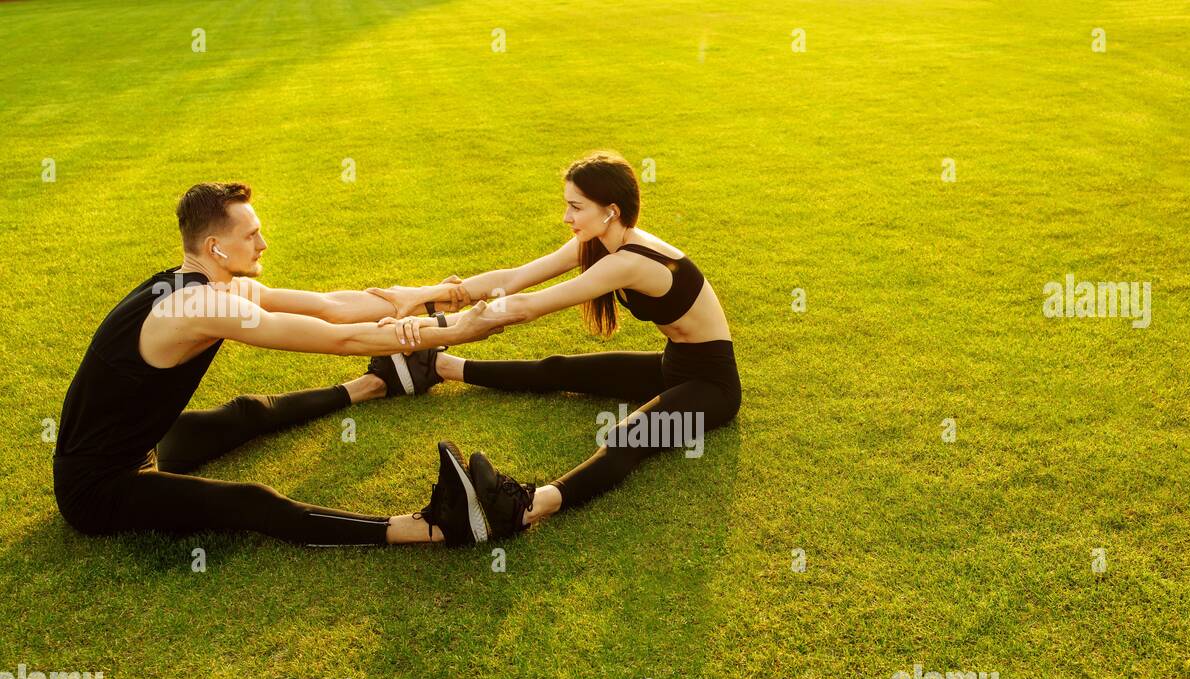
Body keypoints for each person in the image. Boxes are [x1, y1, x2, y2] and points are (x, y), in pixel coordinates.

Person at [52, 182, 503, 548]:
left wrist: (428, 297)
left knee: (247, 413)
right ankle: (432, 527)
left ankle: (373, 384)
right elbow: (339, 338)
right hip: (98, 487)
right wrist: (456, 330)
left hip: (142, 447)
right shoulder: (194, 307)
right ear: (215, 246)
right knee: (252, 502)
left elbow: (331, 307)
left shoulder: (208, 284)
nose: (263, 244)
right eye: (250, 236)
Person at [369, 150, 742, 540]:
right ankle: (443, 366)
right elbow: (516, 278)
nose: (566, 217)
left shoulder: (631, 261)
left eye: (575, 207)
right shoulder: (600, 242)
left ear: (610, 211)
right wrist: (431, 294)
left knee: (631, 435)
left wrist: (431, 327)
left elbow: (529, 306)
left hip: (712, 388)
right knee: (558, 368)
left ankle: (528, 507)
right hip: (672, 365)